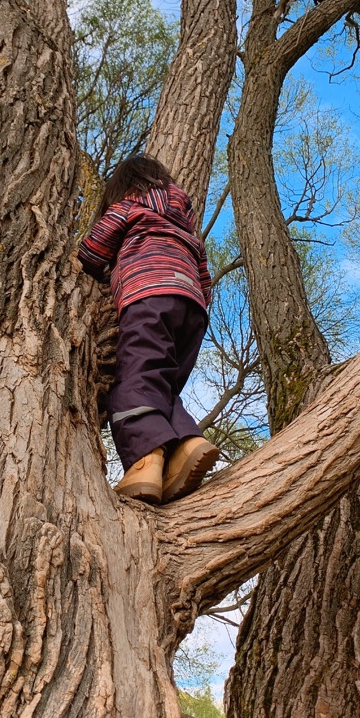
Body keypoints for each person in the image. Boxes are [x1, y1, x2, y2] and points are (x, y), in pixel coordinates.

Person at [78, 153, 220, 504]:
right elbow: (206, 282)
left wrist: (96, 269)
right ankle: (188, 443)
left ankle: (146, 459)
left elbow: (93, 250)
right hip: (191, 310)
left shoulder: (128, 208)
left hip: (148, 294)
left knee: (136, 378)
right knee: (163, 383)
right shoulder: (186, 230)